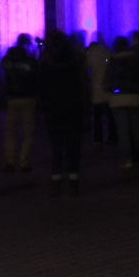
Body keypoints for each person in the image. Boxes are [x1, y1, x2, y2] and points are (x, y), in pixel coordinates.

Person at [36, 29, 87, 194]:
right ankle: (74, 178)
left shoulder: (46, 64)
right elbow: (81, 86)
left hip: (53, 109)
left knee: (56, 146)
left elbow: (41, 88)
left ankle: (56, 178)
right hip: (73, 107)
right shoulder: (75, 63)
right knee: (73, 145)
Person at [107, 34, 139, 170]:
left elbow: (106, 81)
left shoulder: (112, 61)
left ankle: (128, 159)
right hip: (134, 96)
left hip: (118, 99)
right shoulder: (135, 60)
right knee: (137, 129)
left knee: (123, 131)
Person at [1, 33, 38, 172]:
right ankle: (24, 161)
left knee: (10, 132)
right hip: (28, 97)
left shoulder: (8, 60)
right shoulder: (30, 61)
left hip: (12, 98)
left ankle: (10, 161)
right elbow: (36, 76)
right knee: (28, 132)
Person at [84, 35, 116, 148]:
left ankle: (98, 138)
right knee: (110, 114)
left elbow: (87, 69)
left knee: (97, 115)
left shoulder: (90, 54)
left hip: (96, 86)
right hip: (107, 86)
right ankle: (113, 136)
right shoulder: (107, 52)